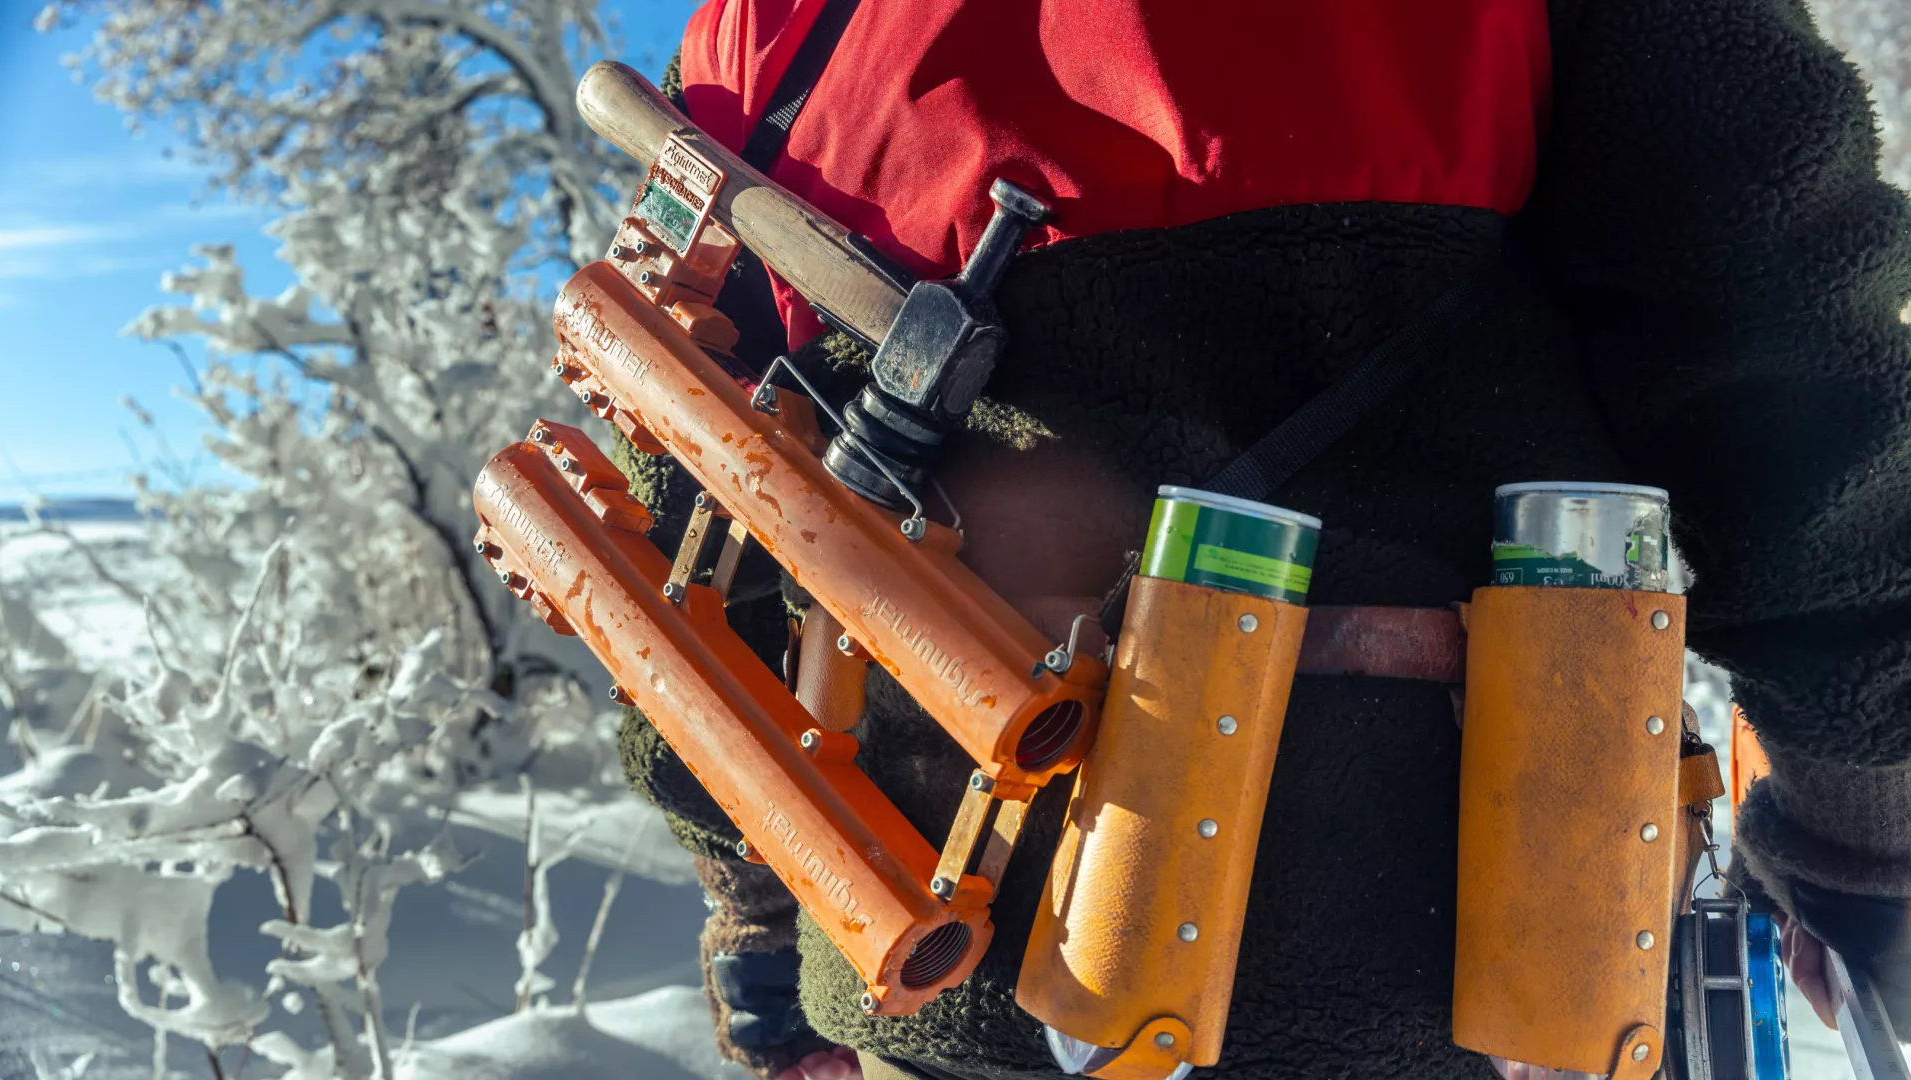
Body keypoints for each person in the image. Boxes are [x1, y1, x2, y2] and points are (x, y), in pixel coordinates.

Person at [610, 1, 1911, 1077]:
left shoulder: (753, 30)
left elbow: (679, 551)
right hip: (1464, 992)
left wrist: (760, 908)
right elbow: (1792, 366)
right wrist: (1862, 830)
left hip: (923, 979)